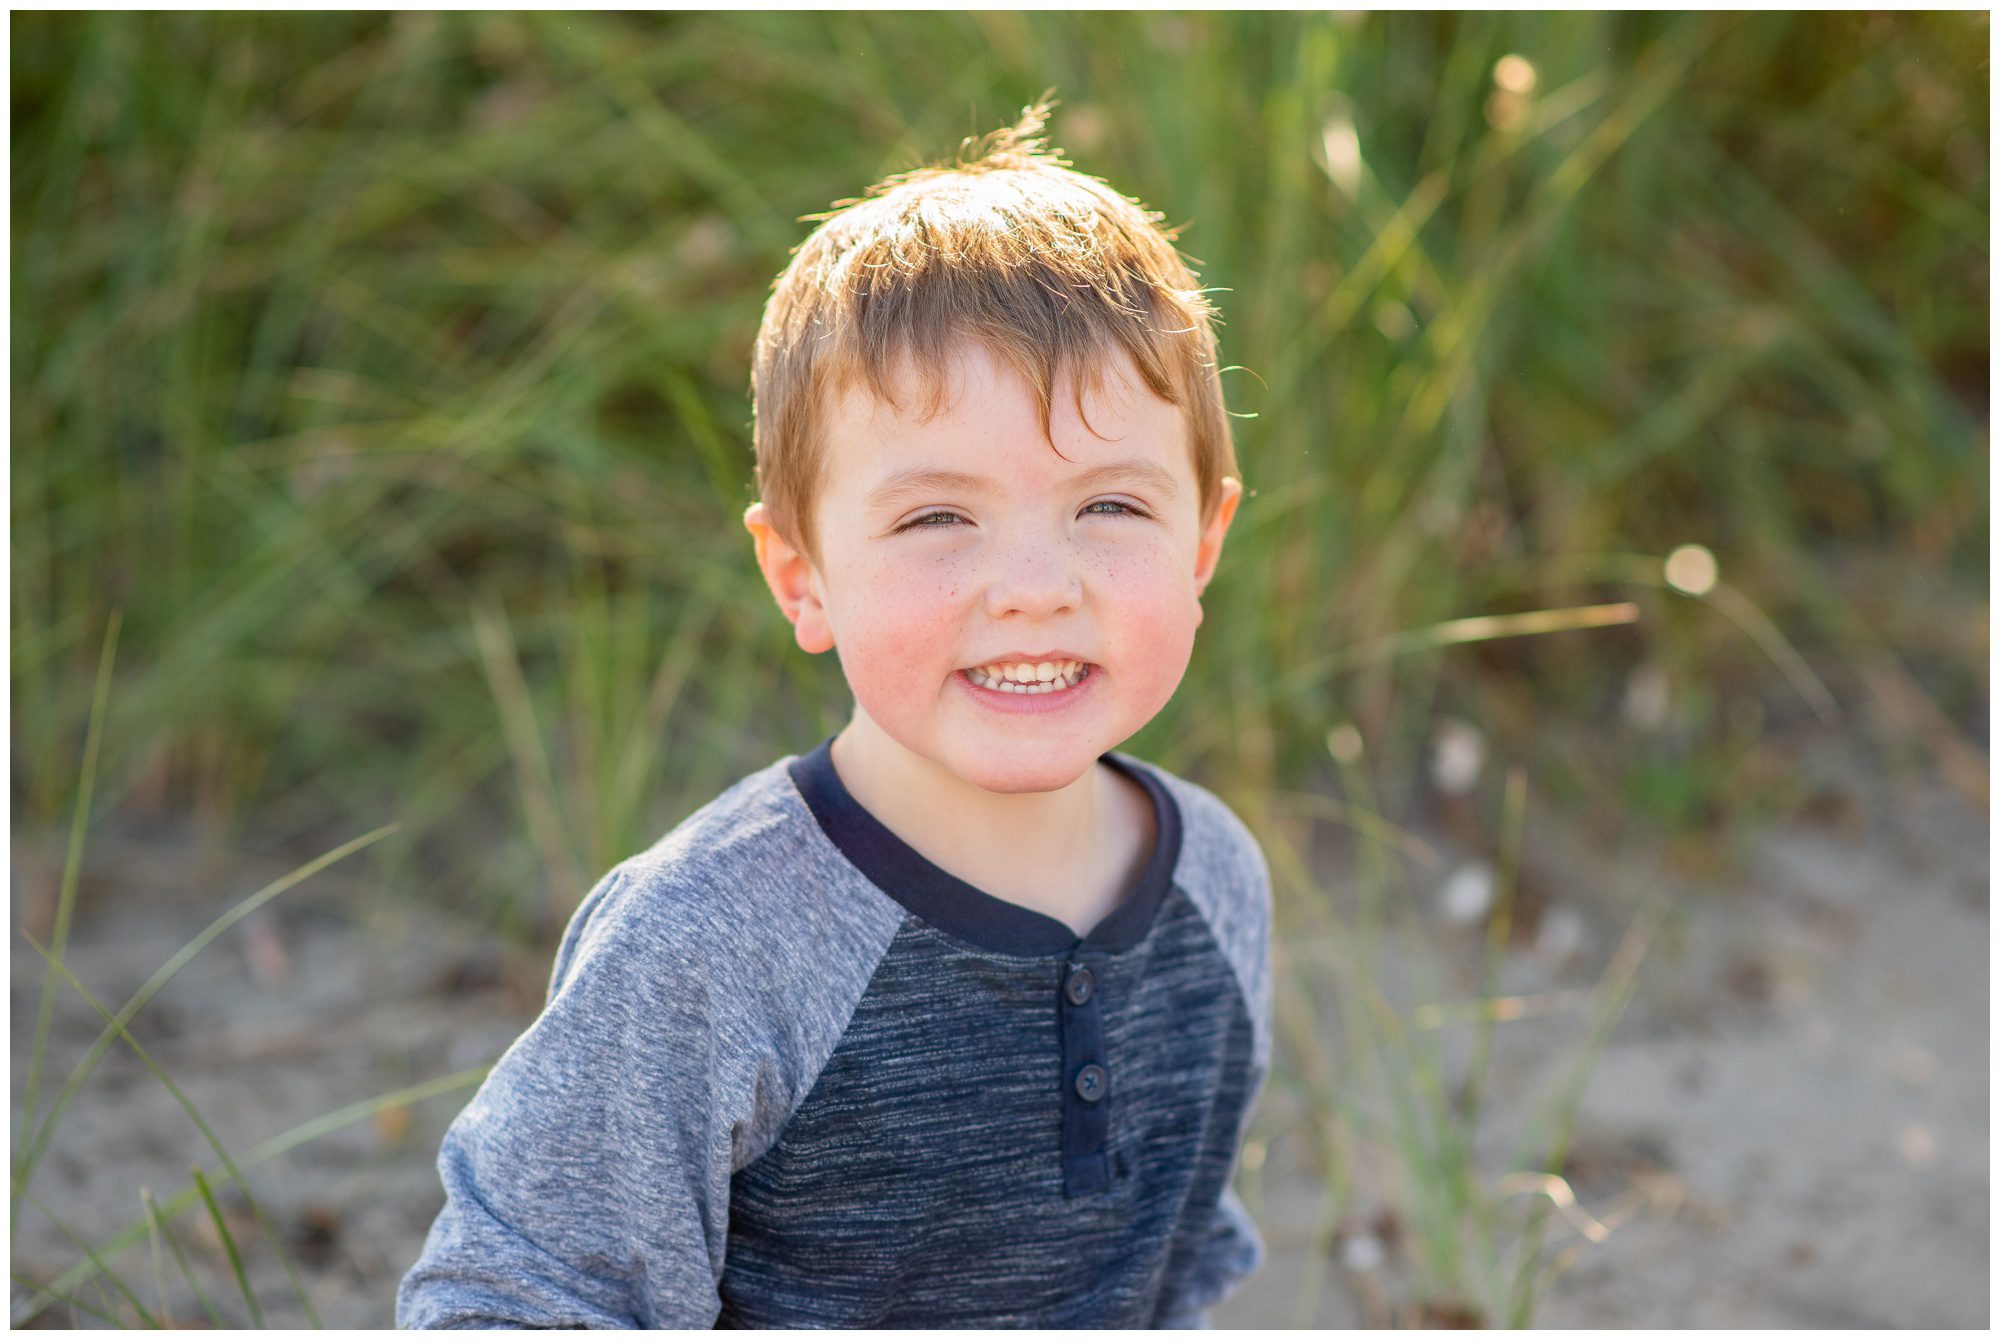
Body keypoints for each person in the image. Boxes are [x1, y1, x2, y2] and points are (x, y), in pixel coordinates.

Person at [396, 99, 1271, 1329]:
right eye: (934, 518)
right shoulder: (709, 938)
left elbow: (1174, 1274)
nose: (1033, 587)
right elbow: (520, 1289)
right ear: (800, 576)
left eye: (1109, 507)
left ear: (1202, 540)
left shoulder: (1214, 886)